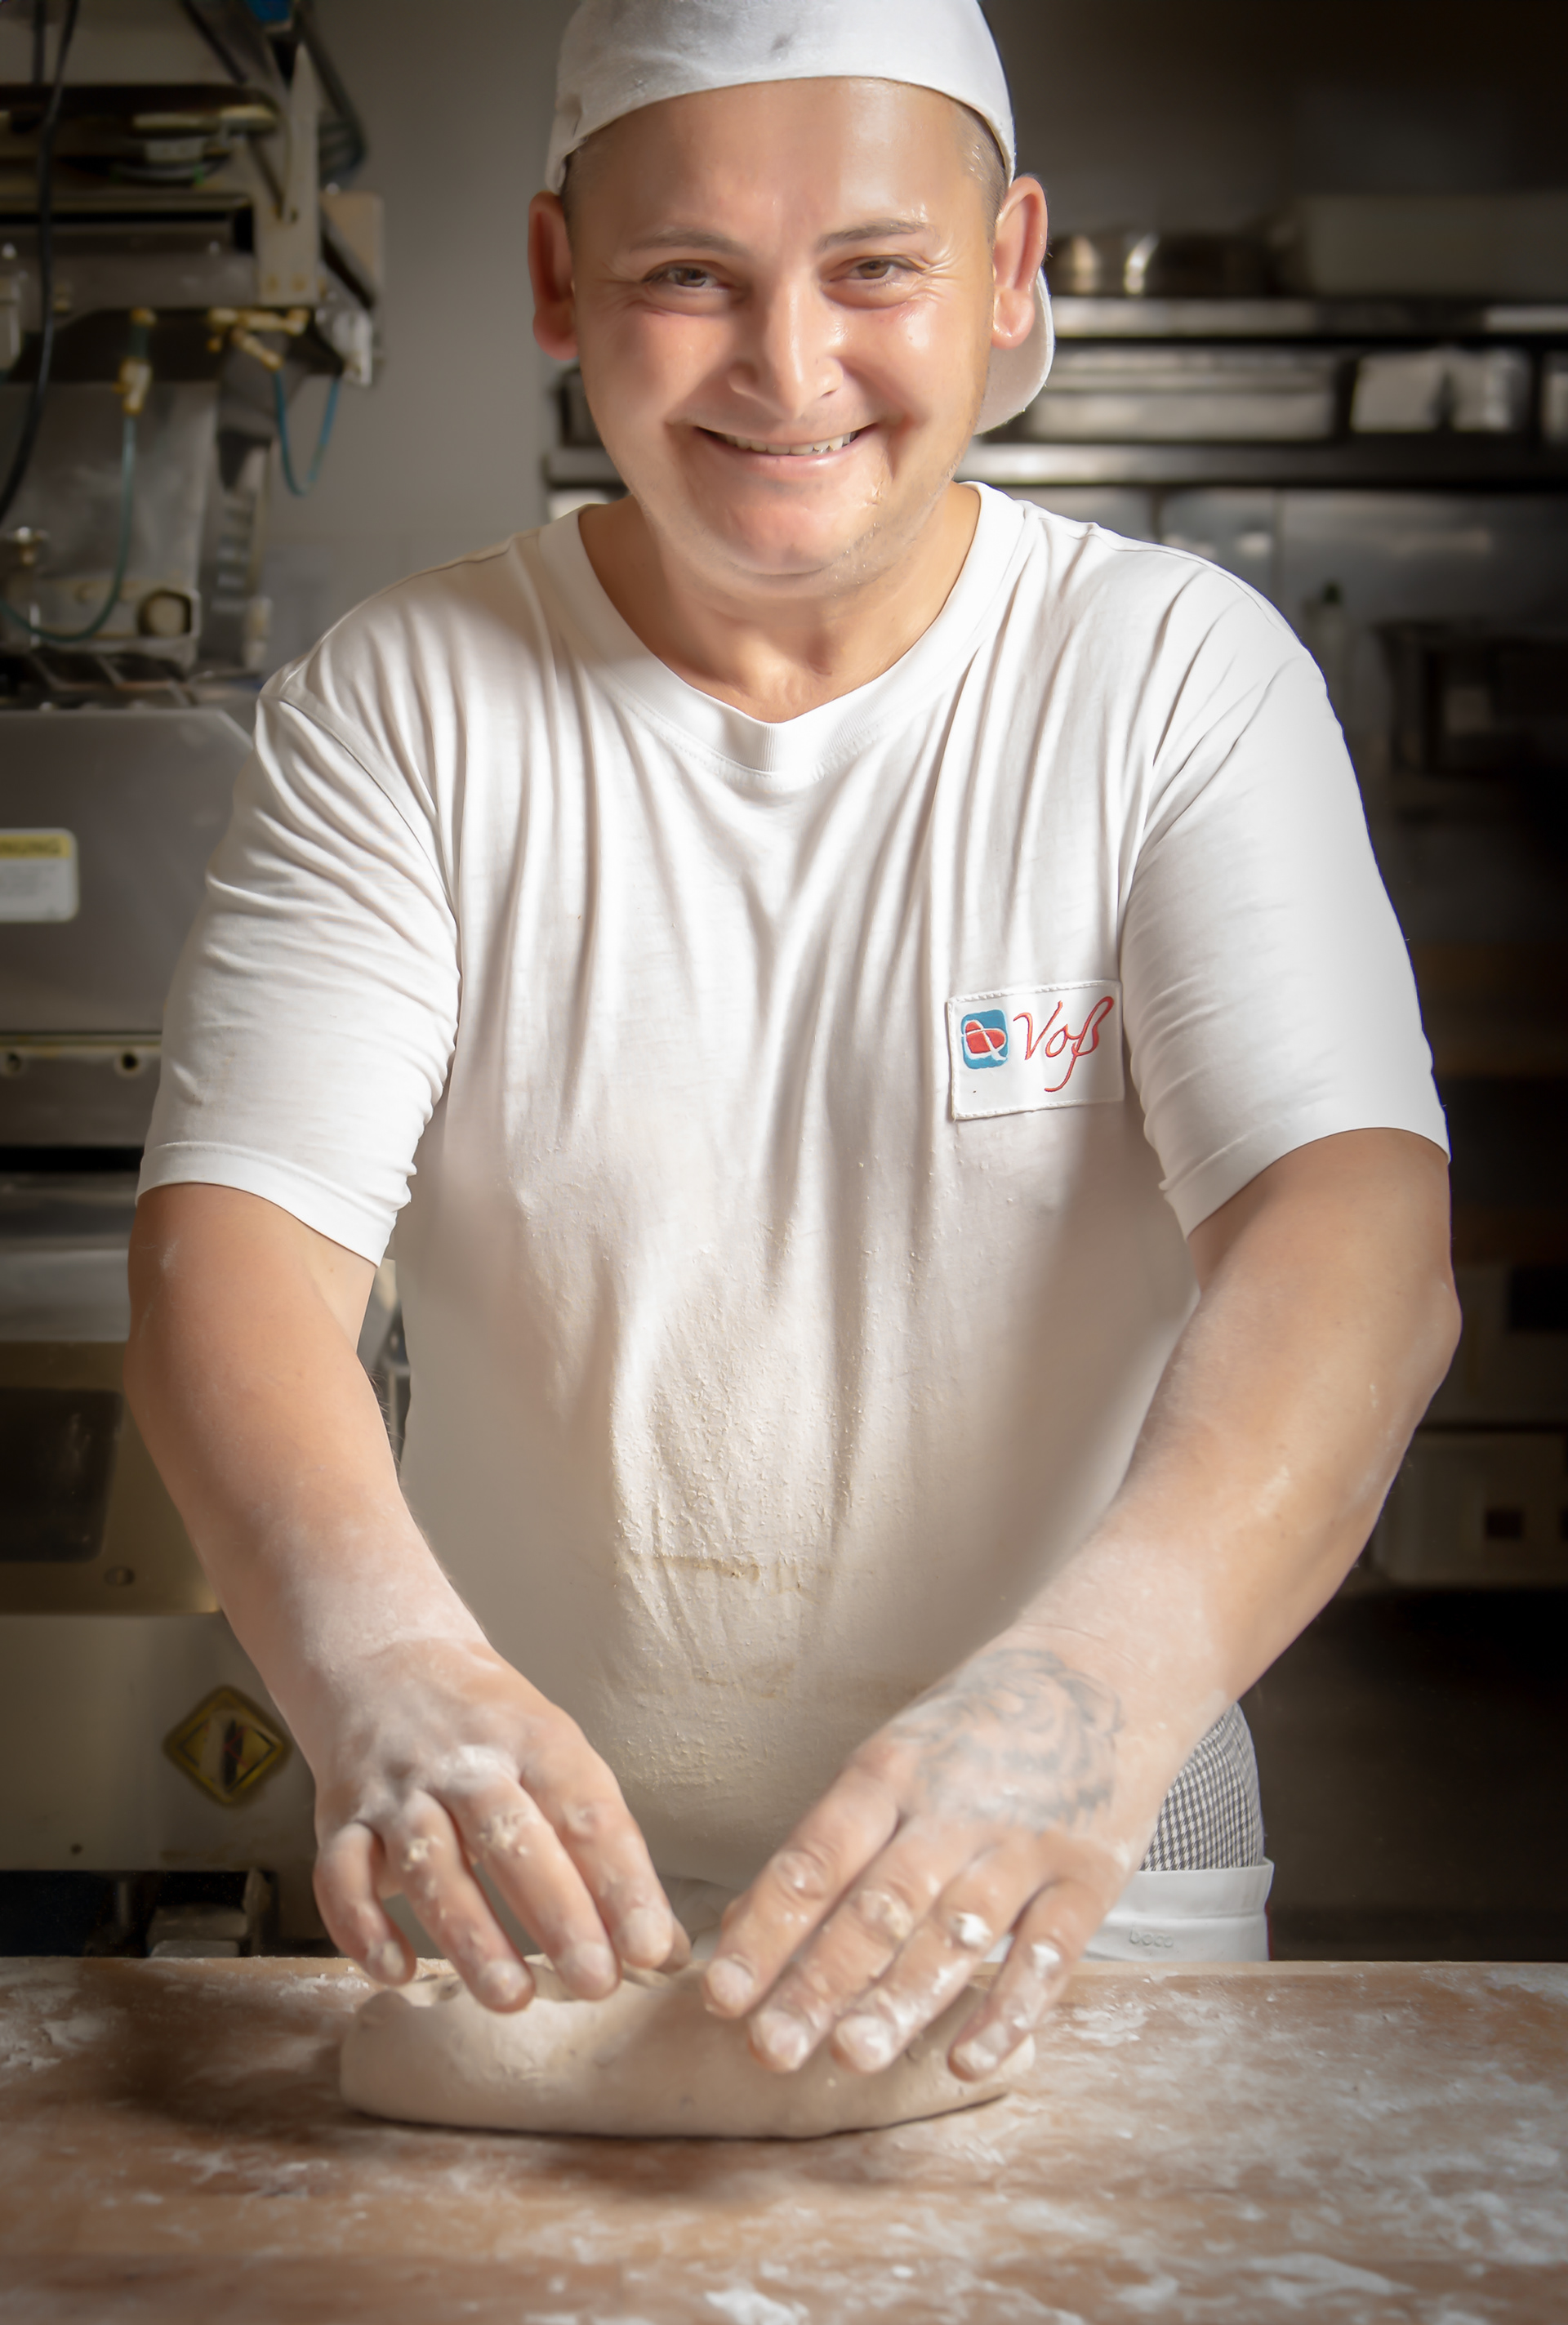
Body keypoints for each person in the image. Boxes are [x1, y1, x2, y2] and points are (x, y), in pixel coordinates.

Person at [125, 0, 1458, 2087]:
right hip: (537, 1901)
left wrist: (1096, 1693)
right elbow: (237, 1252)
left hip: (1082, 1872)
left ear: (1008, 268)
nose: (789, 366)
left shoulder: (1172, 681)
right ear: (560, 278)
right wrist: (377, 1662)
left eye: (875, 268)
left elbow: (1350, 1238)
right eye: (690, 276)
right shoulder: (408, 706)